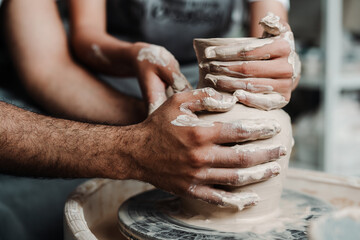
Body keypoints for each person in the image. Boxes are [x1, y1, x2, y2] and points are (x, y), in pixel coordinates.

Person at [0, 0, 299, 239]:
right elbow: (55, 61)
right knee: (36, 206)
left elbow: (271, 28)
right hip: (115, 80)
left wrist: (279, 58)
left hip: (191, 81)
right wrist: (146, 132)